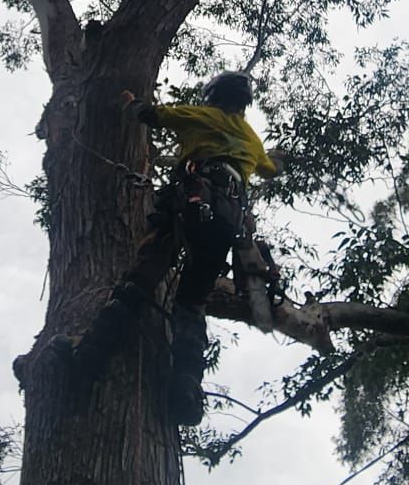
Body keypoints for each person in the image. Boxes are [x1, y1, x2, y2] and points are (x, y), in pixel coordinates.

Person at [83, 71, 278, 425]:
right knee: (191, 303)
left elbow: (152, 116)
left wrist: (130, 103)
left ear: (214, 96)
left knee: (141, 278)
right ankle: (187, 386)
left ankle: (91, 352)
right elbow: (268, 169)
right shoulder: (251, 138)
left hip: (190, 205)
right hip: (229, 223)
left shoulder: (204, 116)